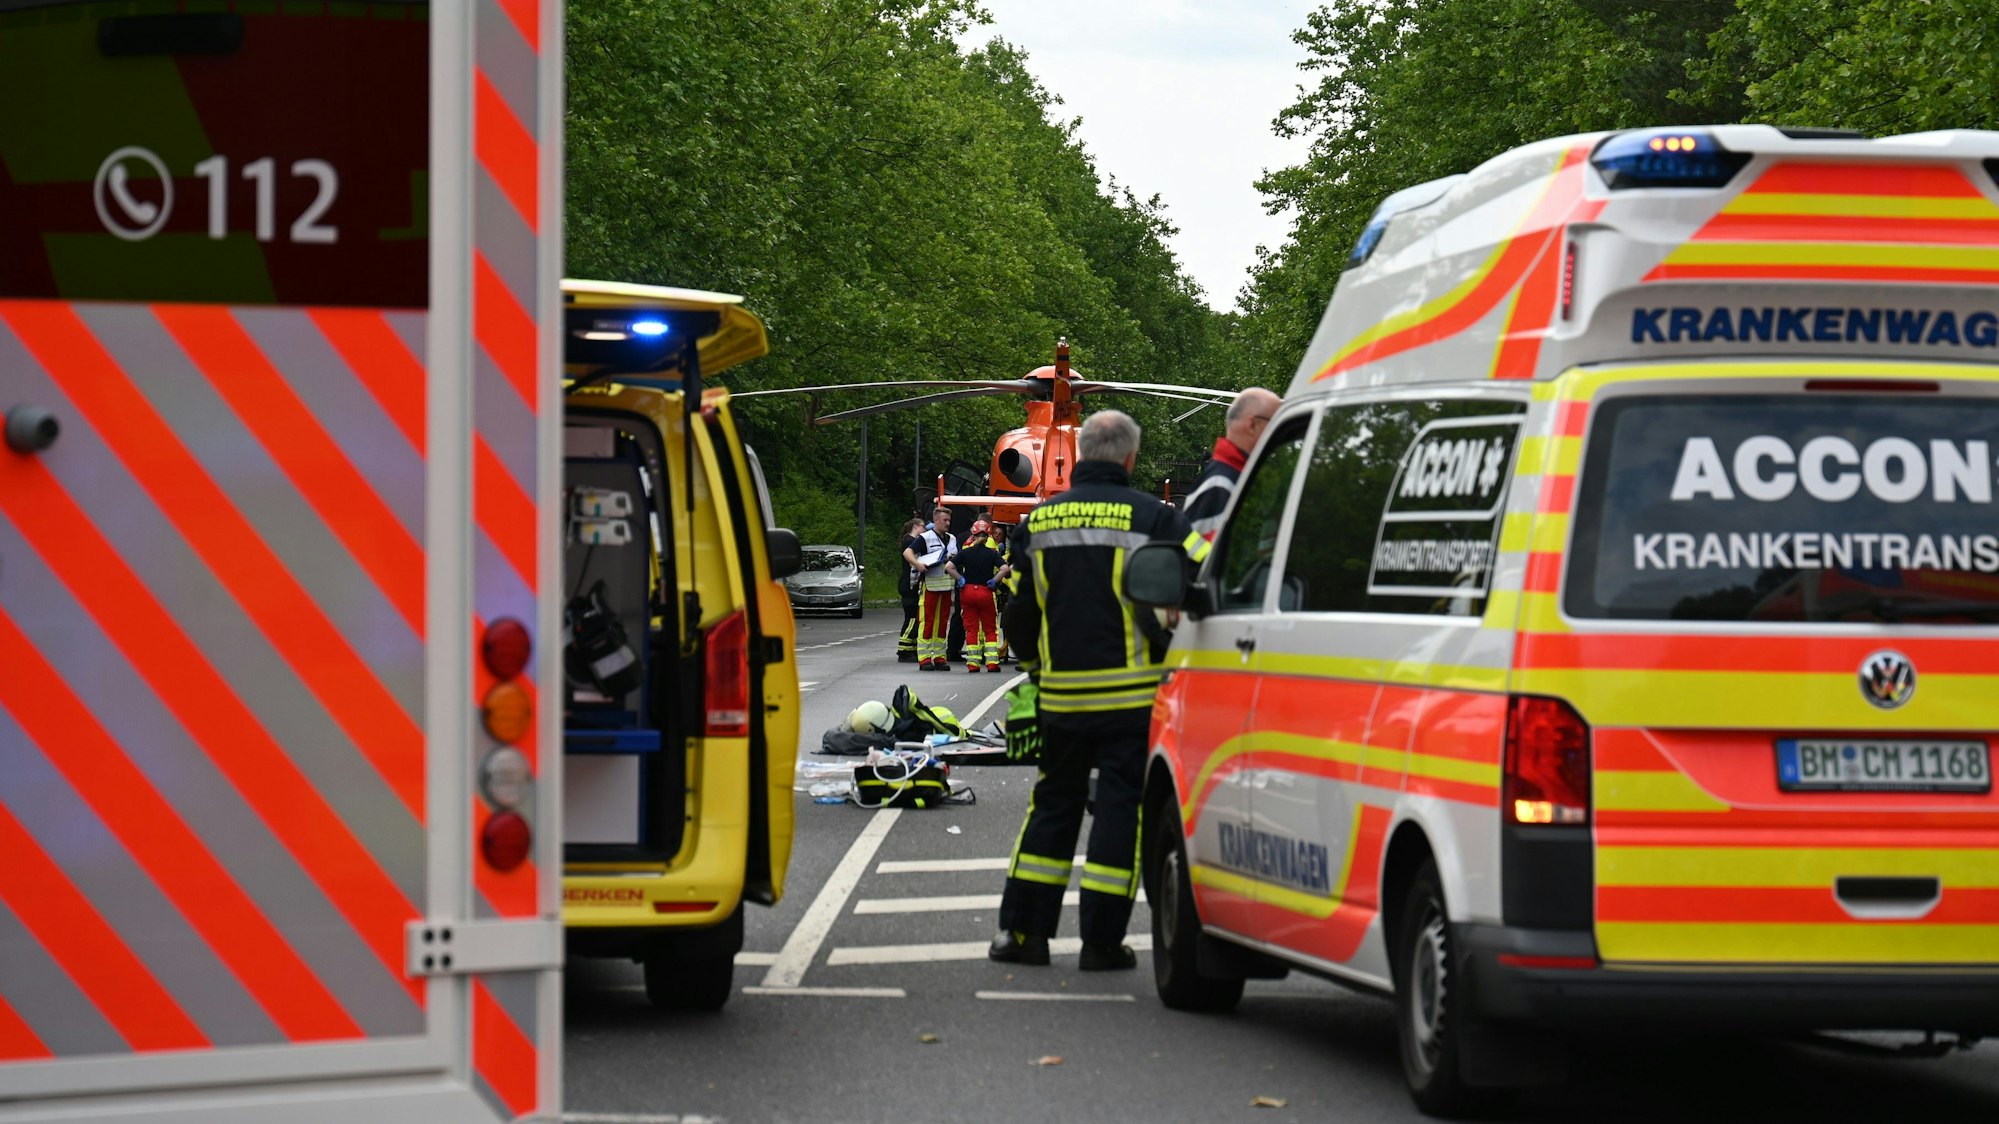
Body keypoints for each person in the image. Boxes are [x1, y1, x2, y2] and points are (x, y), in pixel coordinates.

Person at [989, 410, 1210, 970]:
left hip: (1061, 699)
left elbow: (1016, 612)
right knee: (1120, 814)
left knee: (1052, 808)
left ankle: (1024, 936)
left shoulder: (1037, 524)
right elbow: (1207, 580)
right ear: (1130, 459)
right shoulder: (1155, 518)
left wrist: (1038, 670)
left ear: (1081, 454)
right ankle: (1102, 943)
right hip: (1133, 701)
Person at [1183, 386, 1280, 540]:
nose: (1280, 433)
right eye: (1275, 423)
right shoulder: (1220, 484)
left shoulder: (1237, 476)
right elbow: (1203, 557)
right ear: (1252, 425)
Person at [902, 507, 958, 670]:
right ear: (936, 520)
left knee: (942, 623)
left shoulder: (952, 538)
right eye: (944, 520)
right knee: (927, 622)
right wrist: (918, 564)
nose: (947, 523)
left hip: (947, 587)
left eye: (949, 520)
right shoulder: (925, 538)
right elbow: (908, 552)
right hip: (931, 586)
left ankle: (940, 657)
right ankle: (925, 658)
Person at [953, 520, 1008, 672]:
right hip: (985, 592)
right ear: (988, 536)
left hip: (968, 592)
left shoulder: (965, 552)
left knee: (971, 629)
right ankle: (992, 663)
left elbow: (949, 566)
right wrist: (994, 581)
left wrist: (960, 578)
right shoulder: (992, 553)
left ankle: (972, 664)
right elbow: (1004, 568)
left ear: (973, 534)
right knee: (990, 628)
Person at [894, 517, 926, 662]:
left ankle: (911, 648)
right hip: (909, 585)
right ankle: (904, 650)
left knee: (915, 618)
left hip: (909, 584)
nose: (924, 530)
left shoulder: (909, 540)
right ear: (915, 527)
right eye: (923, 527)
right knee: (911, 618)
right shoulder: (909, 542)